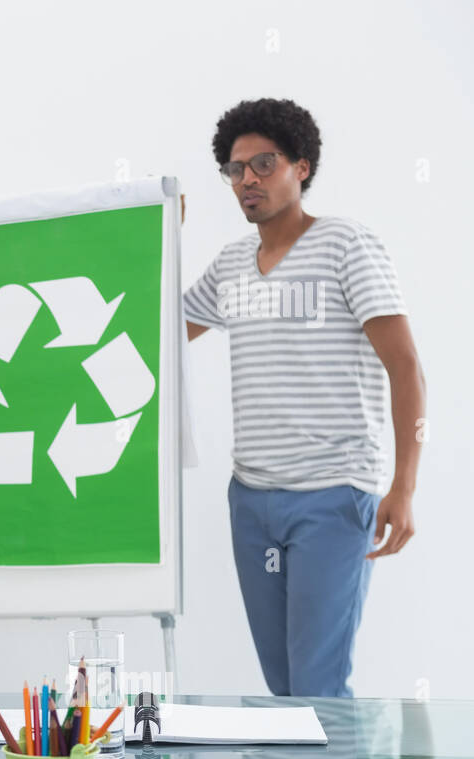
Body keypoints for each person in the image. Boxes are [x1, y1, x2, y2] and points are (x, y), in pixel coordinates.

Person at [183, 99, 426, 697]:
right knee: (284, 685)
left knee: (318, 686)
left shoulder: (347, 245)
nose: (248, 180)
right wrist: (160, 233)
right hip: (253, 503)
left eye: (263, 164)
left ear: (302, 166)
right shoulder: (233, 263)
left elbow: (406, 367)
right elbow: (157, 333)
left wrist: (404, 487)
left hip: (332, 498)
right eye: (236, 170)